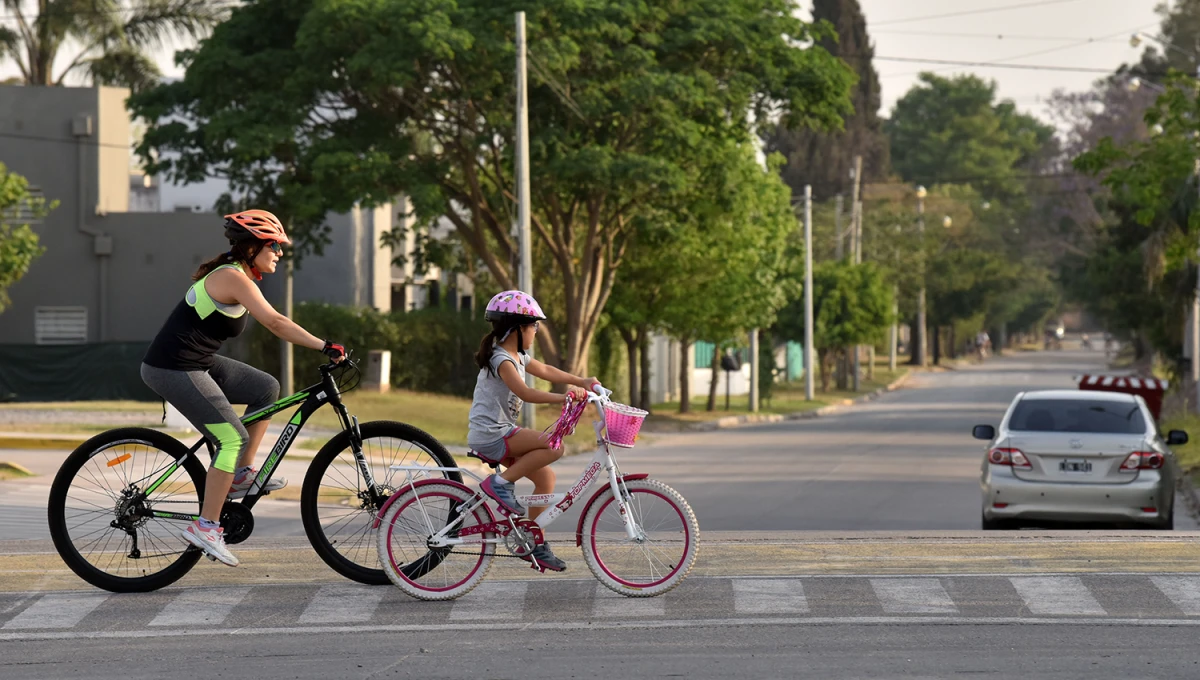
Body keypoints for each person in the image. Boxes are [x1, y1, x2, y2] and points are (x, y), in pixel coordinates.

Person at [140, 209, 346, 567]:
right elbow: (276, 323)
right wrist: (325, 345)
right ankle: (205, 527)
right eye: (274, 246)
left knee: (266, 387)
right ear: (252, 247)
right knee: (231, 438)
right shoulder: (232, 278)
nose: (280, 254)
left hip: (196, 363)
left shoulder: (240, 276)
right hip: (171, 368)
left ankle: (238, 476)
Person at [469, 290, 598, 572]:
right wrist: (564, 398)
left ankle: (533, 543)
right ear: (517, 328)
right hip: (492, 434)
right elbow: (525, 393)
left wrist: (583, 381)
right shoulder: (502, 360)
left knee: (546, 479)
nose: (536, 331)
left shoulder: (517, 356)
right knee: (555, 445)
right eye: (534, 326)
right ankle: (500, 485)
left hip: (501, 432)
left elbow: (547, 370)